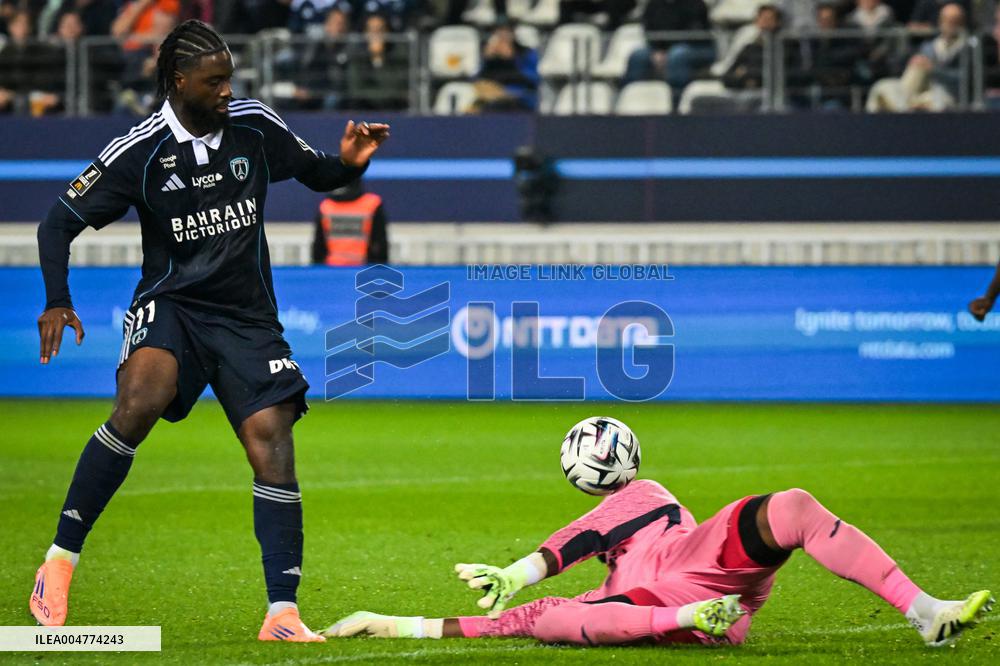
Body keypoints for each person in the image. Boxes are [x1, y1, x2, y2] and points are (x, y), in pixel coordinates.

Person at [30, 19, 389, 642]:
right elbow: (56, 223)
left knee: (271, 438)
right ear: (178, 82)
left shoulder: (254, 125)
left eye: (229, 78)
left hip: (247, 316)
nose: (227, 90)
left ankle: (282, 612)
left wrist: (349, 163)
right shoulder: (137, 153)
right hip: (172, 304)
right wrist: (58, 300)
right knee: (140, 401)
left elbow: (318, 172)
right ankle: (60, 560)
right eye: (213, 81)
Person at [323, 479, 993, 647]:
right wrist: (388, 623)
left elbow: (578, 538)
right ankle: (688, 619)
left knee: (790, 506)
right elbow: (497, 623)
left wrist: (518, 571)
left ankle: (925, 611)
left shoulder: (649, 502)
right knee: (544, 621)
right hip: (663, 607)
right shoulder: (612, 578)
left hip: (699, 567)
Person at [867, 2, 969, 111]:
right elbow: (901, 69)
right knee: (879, 88)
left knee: (936, 102)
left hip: (946, 94)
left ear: (962, 23)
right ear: (940, 21)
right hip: (916, 91)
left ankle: (903, 107)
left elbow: (965, 79)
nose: (949, 25)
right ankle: (903, 104)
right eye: (946, 20)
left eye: (954, 21)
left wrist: (933, 69)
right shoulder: (929, 46)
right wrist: (915, 62)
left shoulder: (969, 47)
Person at [623, 0, 714, 92]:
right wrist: (657, 51)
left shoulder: (696, 3)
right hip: (662, 49)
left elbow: (694, 35)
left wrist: (666, 53)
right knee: (638, 56)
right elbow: (649, 32)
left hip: (698, 48)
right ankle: (631, 95)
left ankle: (676, 99)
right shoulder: (653, 5)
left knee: (677, 55)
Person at [311, 178, 389, 265]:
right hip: (363, 271)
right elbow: (380, 245)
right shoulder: (373, 204)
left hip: (332, 270)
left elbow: (318, 248)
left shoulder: (326, 206)